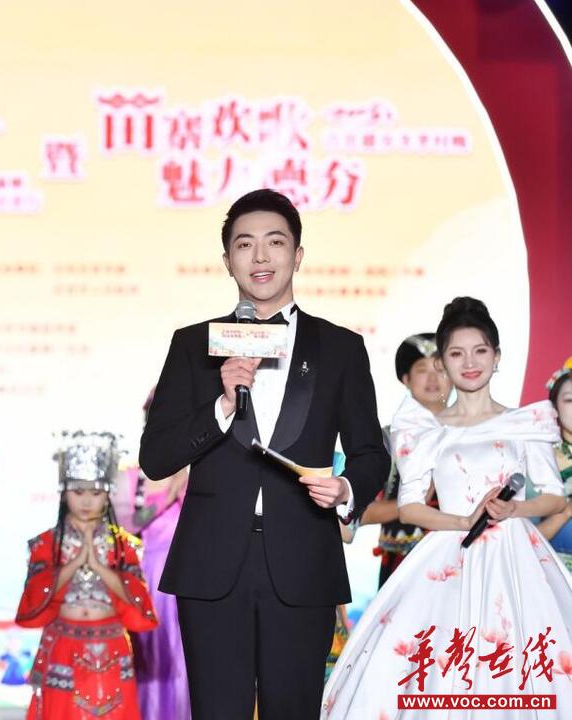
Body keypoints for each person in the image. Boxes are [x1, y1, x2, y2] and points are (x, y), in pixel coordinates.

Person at [139, 189, 388, 720]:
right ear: (226, 259)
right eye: (244, 244)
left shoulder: (340, 347)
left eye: (275, 242)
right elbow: (156, 457)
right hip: (211, 564)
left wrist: (345, 489)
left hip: (303, 561)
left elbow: (370, 453)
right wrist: (221, 407)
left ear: (297, 255)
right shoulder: (193, 344)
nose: (260, 256)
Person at [322, 298, 572, 718]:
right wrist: (464, 520)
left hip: (515, 558)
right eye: (457, 354)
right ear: (443, 361)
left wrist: (514, 510)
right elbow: (410, 507)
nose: (469, 363)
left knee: (523, 661)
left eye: (480, 351)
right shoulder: (424, 429)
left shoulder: (525, 423)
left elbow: (555, 497)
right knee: (435, 664)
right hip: (447, 554)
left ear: (497, 357)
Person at [17, 431, 157, 720]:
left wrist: (100, 567)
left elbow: (140, 602)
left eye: (95, 493)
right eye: (78, 492)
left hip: (112, 648)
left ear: (107, 494)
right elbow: (33, 599)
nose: (86, 501)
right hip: (62, 647)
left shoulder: (125, 546)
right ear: (64, 493)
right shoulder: (46, 544)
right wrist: (74, 563)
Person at [359, 333, 450, 587]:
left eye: (440, 370)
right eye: (422, 370)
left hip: (458, 558)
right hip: (402, 565)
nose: (433, 379)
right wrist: (413, 505)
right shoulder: (387, 439)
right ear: (406, 379)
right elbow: (360, 513)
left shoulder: (470, 435)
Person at [129, 390, 190, 720]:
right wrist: (165, 496)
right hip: (150, 573)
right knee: (151, 652)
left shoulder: (193, 470)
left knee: (184, 653)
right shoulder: (136, 474)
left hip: (185, 572)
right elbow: (128, 523)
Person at [537, 356, 572, 571]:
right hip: (555, 574)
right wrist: (566, 512)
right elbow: (522, 540)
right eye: (570, 400)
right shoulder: (540, 460)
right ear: (554, 408)